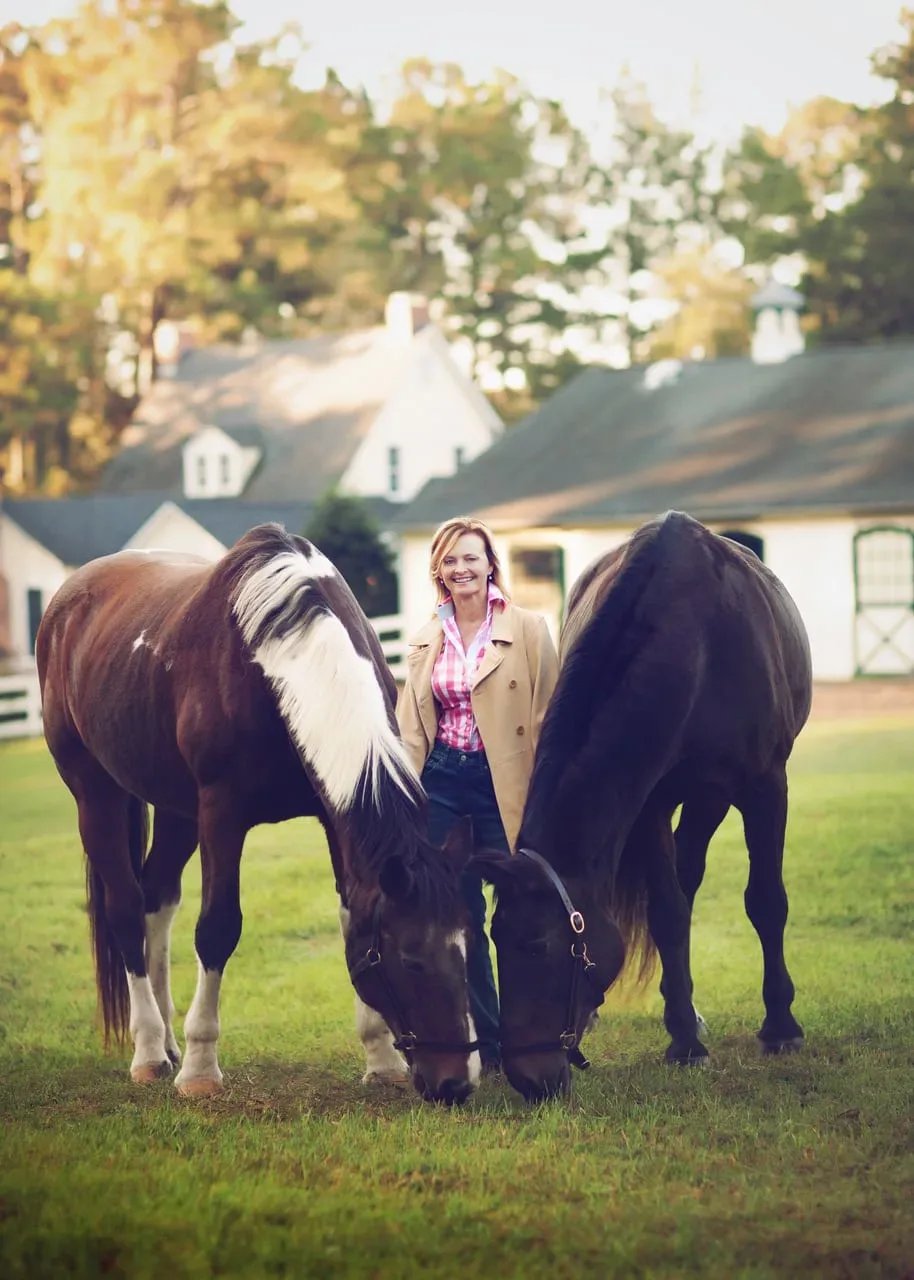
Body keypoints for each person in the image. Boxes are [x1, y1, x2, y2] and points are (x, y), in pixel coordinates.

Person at [397, 517, 560, 1072]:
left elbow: (547, 717)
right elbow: (411, 727)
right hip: (442, 781)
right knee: (457, 918)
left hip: (504, 781)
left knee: (516, 918)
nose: (461, 568)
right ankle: (487, 1045)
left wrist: (543, 798)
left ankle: (532, 1039)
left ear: (491, 563)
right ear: (438, 572)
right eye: (450, 561)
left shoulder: (529, 628)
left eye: (471, 557)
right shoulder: (425, 637)